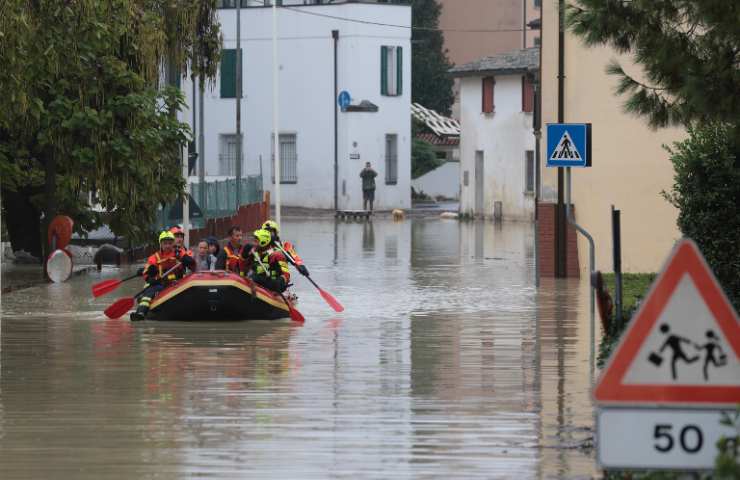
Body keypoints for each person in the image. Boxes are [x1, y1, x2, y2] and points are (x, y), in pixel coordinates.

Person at [130, 231, 195, 321]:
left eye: (170, 243)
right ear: (160, 244)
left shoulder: (179, 253)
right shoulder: (154, 257)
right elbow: (146, 273)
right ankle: (140, 312)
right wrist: (150, 278)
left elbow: (192, 264)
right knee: (149, 293)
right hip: (160, 283)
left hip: (177, 283)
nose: (168, 246)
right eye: (165, 243)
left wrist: (188, 260)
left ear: (173, 243)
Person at [249, 229, 290, 293]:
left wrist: (280, 281)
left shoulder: (277, 255)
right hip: (258, 281)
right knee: (253, 277)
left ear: (263, 242)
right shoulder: (253, 252)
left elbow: (286, 275)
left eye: (255, 241)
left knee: (255, 277)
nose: (253, 243)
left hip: (273, 283)